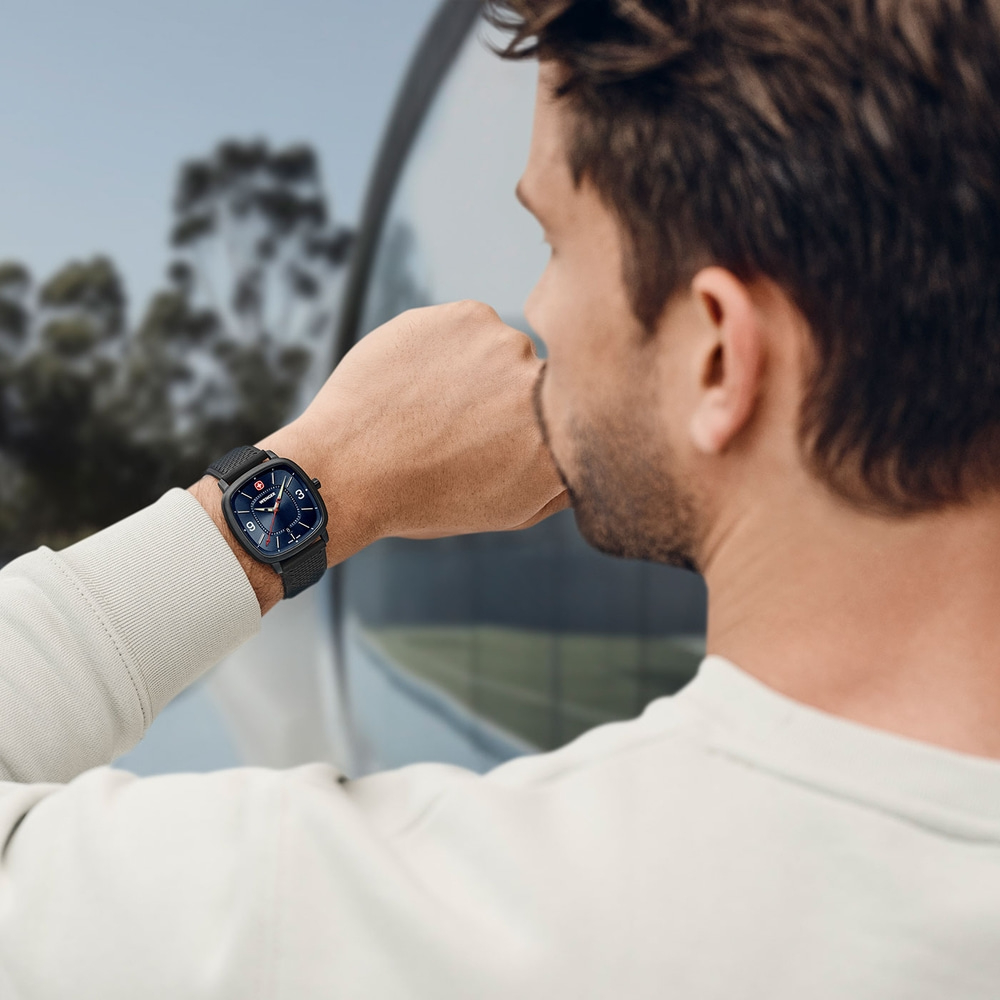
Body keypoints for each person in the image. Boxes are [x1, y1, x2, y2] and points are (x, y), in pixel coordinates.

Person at [2, 0, 1000, 995]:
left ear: (716, 356)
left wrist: (320, 477)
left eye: (554, 242)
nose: (530, 312)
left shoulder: (398, 920)